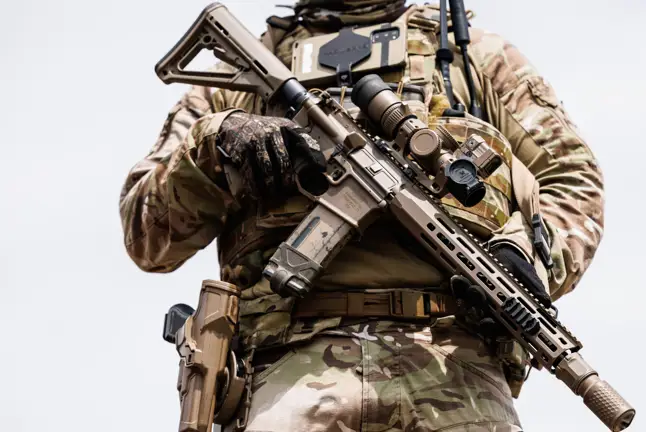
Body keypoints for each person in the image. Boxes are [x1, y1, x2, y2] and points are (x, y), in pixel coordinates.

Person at [119, 1, 605, 430]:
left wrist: (526, 257)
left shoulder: (475, 58)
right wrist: (216, 141)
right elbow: (147, 237)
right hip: (282, 368)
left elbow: (571, 178)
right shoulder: (237, 75)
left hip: (456, 368)